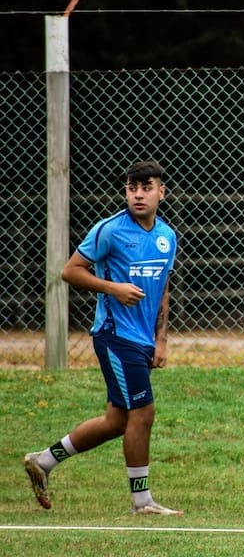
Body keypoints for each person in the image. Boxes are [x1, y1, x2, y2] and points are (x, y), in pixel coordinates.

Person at [23, 161, 182, 515]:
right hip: (114, 335)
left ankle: (44, 461)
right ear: (125, 191)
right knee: (144, 412)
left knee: (117, 421)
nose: (138, 194)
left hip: (142, 339)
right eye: (132, 188)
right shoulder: (109, 231)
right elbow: (70, 271)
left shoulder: (166, 236)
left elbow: (163, 287)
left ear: (161, 192)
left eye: (146, 187)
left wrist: (162, 338)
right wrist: (112, 288)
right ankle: (142, 502)